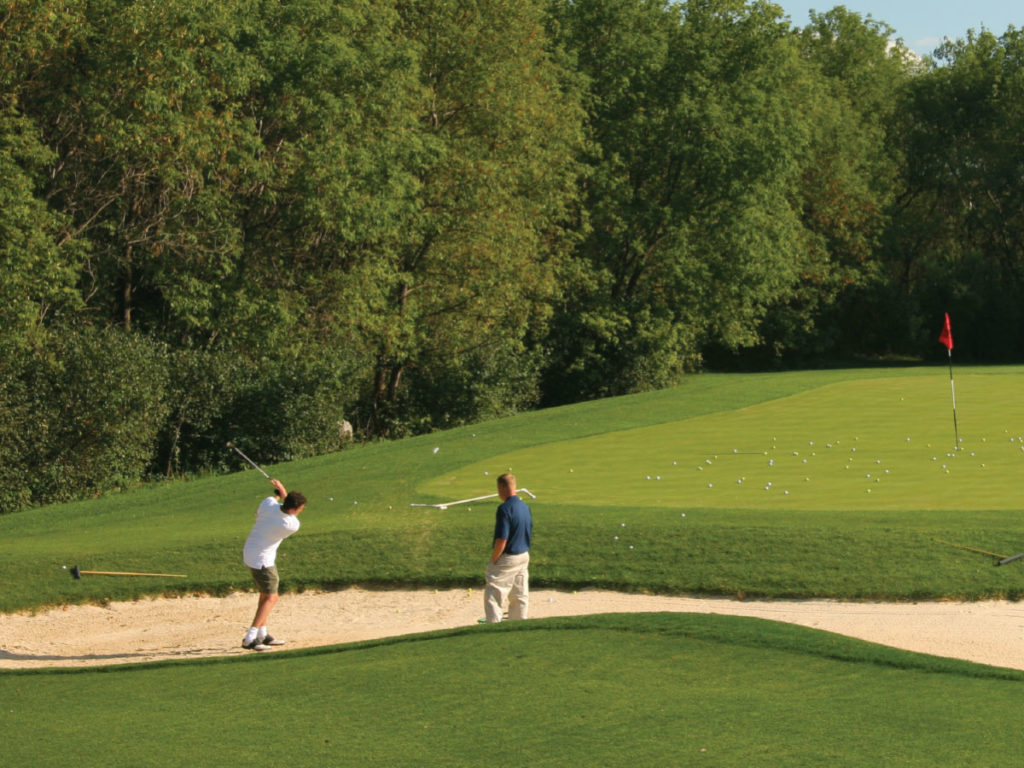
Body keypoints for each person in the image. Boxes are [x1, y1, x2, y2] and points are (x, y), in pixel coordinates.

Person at [241, 478, 306, 651]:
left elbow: (273, 504)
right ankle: (250, 637)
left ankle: (263, 634)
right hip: (263, 560)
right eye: (300, 509)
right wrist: (283, 491)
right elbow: (286, 510)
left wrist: (280, 491)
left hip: (250, 552)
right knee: (272, 597)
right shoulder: (291, 524)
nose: (300, 512)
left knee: (265, 594)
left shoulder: (267, 503)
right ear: (294, 509)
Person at [484, 473, 532, 623]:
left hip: (508, 557)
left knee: (494, 593)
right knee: (519, 595)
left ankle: (493, 627)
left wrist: (494, 559)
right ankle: (519, 624)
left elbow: (502, 539)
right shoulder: (525, 507)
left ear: (503, 487)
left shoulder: (504, 509)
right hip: (524, 555)